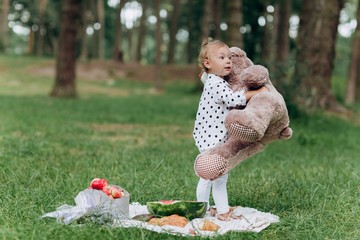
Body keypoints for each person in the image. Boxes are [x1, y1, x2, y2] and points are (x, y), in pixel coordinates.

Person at [193, 39, 268, 221]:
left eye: (229, 58)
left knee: (219, 175)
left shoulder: (213, 79)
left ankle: (217, 209)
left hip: (213, 136)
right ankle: (205, 210)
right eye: (222, 57)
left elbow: (205, 78)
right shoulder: (215, 83)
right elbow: (233, 99)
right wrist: (257, 93)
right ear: (208, 63)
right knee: (211, 176)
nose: (228, 61)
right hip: (210, 137)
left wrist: (204, 75)